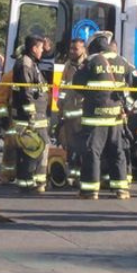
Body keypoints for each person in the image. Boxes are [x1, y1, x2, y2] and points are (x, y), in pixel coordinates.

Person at [71, 31, 131, 200]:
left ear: (94, 46)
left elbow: (77, 84)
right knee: (118, 151)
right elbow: (136, 86)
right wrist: (127, 106)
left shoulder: (92, 61)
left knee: (92, 152)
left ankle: (90, 190)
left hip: (95, 116)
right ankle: (121, 190)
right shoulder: (122, 61)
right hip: (117, 116)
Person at [10, 34, 51, 194]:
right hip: (30, 118)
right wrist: (32, 115)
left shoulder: (31, 63)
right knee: (33, 149)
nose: (42, 51)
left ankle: (28, 182)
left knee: (30, 151)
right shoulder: (25, 64)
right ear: (34, 48)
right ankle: (30, 183)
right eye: (41, 48)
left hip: (34, 116)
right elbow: (25, 91)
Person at [58, 38, 88, 188]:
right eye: (70, 48)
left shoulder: (88, 64)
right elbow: (63, 86)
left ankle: (83, 175)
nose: (72, 51)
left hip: (83, 113)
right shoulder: (68, 65)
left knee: (83, 146)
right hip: (70, 112)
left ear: (83, 49)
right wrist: (60, 104)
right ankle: (73, 175)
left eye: (75, 49)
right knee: (70, 145)